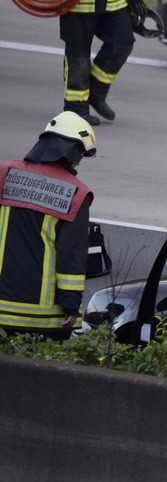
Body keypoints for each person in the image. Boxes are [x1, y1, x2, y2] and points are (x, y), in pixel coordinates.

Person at [0, 112, 96, 339]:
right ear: (74, 152)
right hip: (41, 318)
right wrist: (71, 307)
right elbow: (70, 255)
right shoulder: (75, 193)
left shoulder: (4, 174)